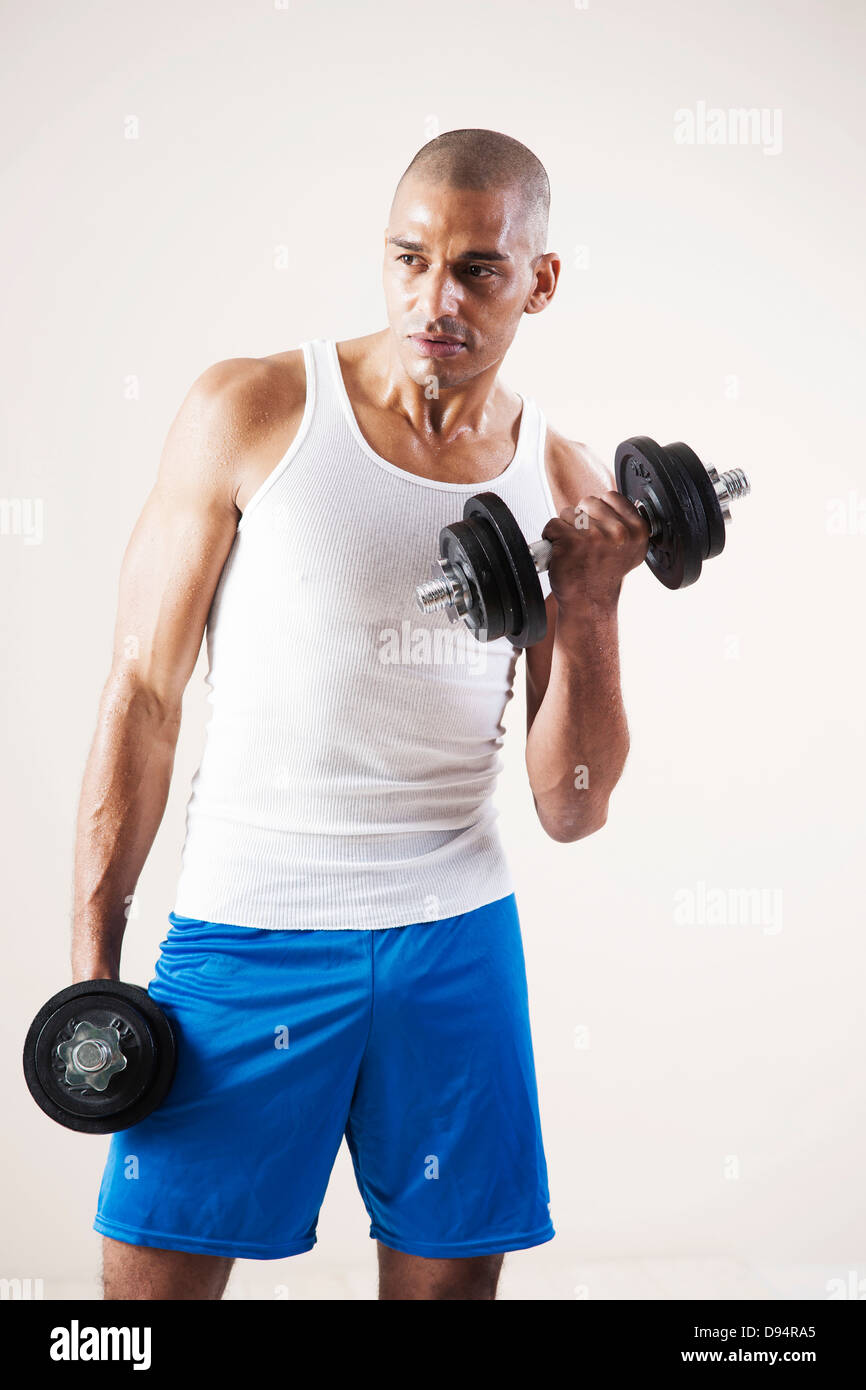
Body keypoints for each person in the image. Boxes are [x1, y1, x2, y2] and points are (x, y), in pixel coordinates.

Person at [72, 128, 649, 1301]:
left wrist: (585, 607)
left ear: (540, 279)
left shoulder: (561, 479)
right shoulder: (254, 409)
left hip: (454, 938)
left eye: (477, 269)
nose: (433, 298)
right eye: (408, 258)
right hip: (246, 931)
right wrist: (94, 975)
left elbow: (568, 808)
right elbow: (141, 691)